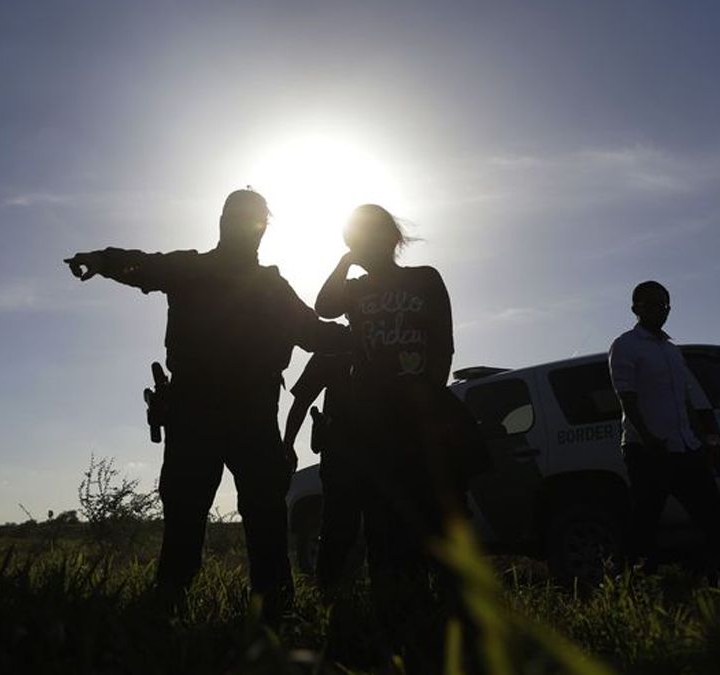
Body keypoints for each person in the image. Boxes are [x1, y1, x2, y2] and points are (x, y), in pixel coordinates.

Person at [64, 189, 349, 620]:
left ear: (262, 230)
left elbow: (315, 333)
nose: (243, 228)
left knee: (264, 518)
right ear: (222, 222)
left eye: (251, 221)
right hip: (198, 413)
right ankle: (171, 607)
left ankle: (271, 611)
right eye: (236, 219)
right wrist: (102, 260)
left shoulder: (269, 287)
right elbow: (142, 265)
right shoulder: (193, 269)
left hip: (249, 416)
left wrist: (366, 337)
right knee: (187, 515)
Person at [314, 203, 462, 669]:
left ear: (392, 238)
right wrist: (346, 260)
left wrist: (430, 394)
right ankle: (393, 614)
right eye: (356, 238)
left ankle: (442, 611)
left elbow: (443, 342)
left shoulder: (425, 279)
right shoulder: (355, 289)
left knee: (428, 510)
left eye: (372, 236)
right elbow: (323, 306)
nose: (366, 245)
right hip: (371, 420)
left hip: (418, 414)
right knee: (381, 518)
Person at [608, 280, 720, 574]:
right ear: (636, 308)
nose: (660, 310)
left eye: (664, 305)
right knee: (645, 518)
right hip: (648, 449)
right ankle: (619, 573)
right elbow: (626, 397)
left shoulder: (672, 351)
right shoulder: (625, 346)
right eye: (652, 304)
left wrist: (699, 438)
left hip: (685, 446)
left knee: (713, 516)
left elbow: (684, 399)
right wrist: (648, 437)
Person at [282, 350, 362, 592]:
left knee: (339, 529)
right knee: (339, 529)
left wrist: (288, 444)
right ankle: (333, 593)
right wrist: (288, 444)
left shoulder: (335, 347)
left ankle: (332, 594)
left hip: (353, 457)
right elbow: (302, 400)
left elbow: (301, 401)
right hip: (346, 457)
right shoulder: (335, 348)